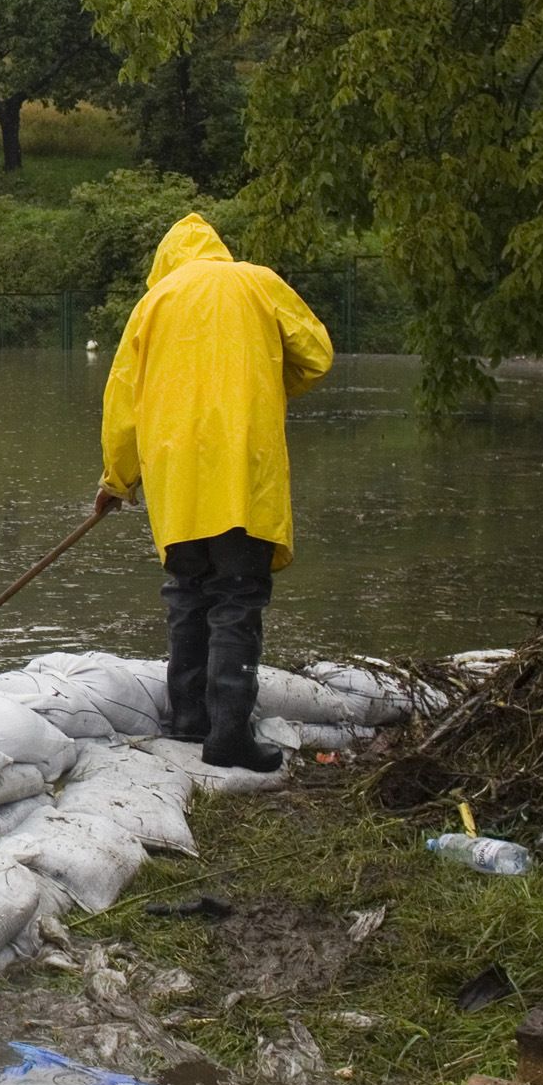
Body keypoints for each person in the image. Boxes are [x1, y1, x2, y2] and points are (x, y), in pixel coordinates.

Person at [96, 214, 334, 772]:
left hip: (176, 477)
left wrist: (117, 479)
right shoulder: (257, 282)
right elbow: (316, 355)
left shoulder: (153, 304)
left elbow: (124, 404)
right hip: (239, 468)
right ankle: (228, 735)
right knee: (237, 596)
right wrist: (266, 382)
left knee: (188, 591)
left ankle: (189, 722)